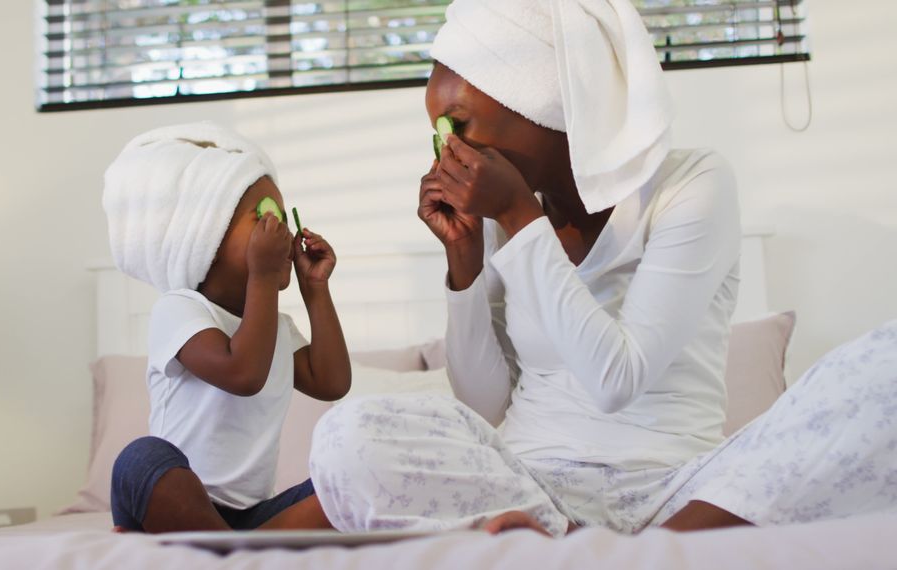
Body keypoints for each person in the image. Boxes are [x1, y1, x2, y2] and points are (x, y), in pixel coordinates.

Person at [308, 0, 897, 536]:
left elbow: (617, 378)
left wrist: (517, 217)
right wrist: (463, 262)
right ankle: (565, 537)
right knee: (347, 436)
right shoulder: (501, 217)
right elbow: (483, 409)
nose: (447, 150)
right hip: (530, 484)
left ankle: (650, 545)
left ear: (544, 104)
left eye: (459, 124)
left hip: (680, 489)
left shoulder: (692, 184)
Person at [102, 122, 350, 533]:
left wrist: (315, 289)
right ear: (203, 240)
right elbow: (242, 374)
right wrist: (265, 277)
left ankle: (232, 548)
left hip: (248, 517)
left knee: (346, 481)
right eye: (264, 219)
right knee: (141, 458)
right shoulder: (180, 309)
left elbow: (332, 382)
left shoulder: (277, 327)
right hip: (171, 491)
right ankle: (232, 548)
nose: (281, 232)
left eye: (282, 220)